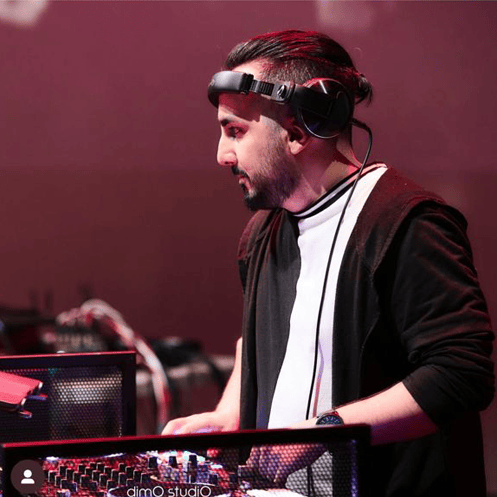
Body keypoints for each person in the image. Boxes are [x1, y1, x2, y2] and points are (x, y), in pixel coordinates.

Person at [163, 30, 495, 496]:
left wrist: (327, 430)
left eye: (235, 131)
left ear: (301, 129)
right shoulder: (261, 235)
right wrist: (229, 412)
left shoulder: (408, 224)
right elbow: (256, 339)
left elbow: (460, 375)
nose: (222, 155)